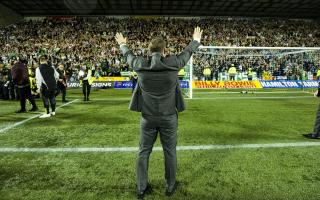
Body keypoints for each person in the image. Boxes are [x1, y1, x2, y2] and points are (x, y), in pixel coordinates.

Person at [115, 27, 202, 199]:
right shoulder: (173, 63)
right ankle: (170, 186)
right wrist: (196, 40)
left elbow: (128, 56)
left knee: (143, 151)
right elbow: (187, 53)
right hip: (169, 117)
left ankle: (141, 188)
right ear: (165, 50)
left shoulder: (140, 65)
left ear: (149, 50)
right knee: (170, 152)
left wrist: (123, 44)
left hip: (147, 118)